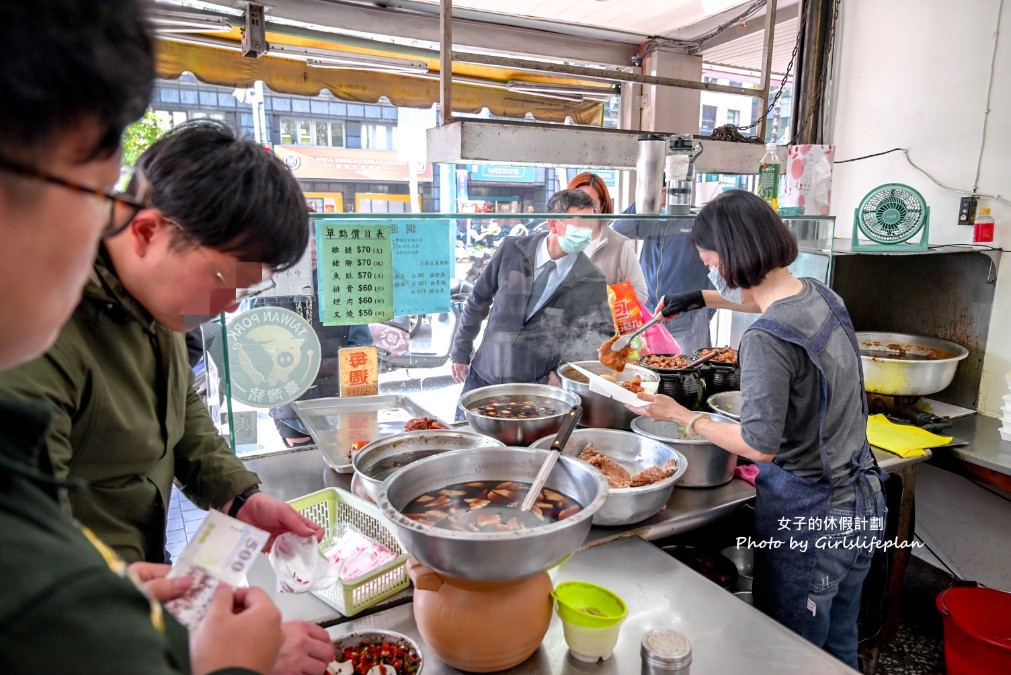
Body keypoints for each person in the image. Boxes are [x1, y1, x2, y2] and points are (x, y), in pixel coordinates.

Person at [0, 2, 285, 673]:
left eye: (246, 288)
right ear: (148, 230)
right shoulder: (39, 344)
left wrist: (241, 495)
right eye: (93, 191)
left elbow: (184, 419)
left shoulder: (160, 311)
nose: (226, 302)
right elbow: (47, 543)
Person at [628, 191, 887, 668]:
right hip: (863, 498)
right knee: (838, 646)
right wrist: (698, 299)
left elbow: (757, 445)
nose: (709, 272)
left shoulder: (766, 339)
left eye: (708, 263)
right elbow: (767, 305)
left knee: (790, 653)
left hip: (813, 518)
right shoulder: (818, 294)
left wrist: (683, 416)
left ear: (732, 257)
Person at [451, 189, 612, 393]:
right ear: (553, 224)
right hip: (484, 374)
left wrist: (565, 371)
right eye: (578, 227)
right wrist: (460, 350)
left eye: (589, 226)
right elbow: (478, 300)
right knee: (465, 425)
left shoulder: (591, 278)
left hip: (537, 386)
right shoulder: (511, 250)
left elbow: (603, 334)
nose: (585, 234)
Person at [611, 199, 716, 354]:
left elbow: (715, 267)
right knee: (651, 369)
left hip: (687, 317)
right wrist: (645, 200)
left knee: (689, 369)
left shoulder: (695, 221)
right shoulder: (652, 219)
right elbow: (617, 230)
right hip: (651, 315)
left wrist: (707, 311)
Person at [567, 172, 649, 302]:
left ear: (603, 205)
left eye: (591, 203)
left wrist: (606, 299)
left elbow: (641, 293)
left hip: (603, 321)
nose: (583, 209)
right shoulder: (558, 241)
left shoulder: (619, 245)